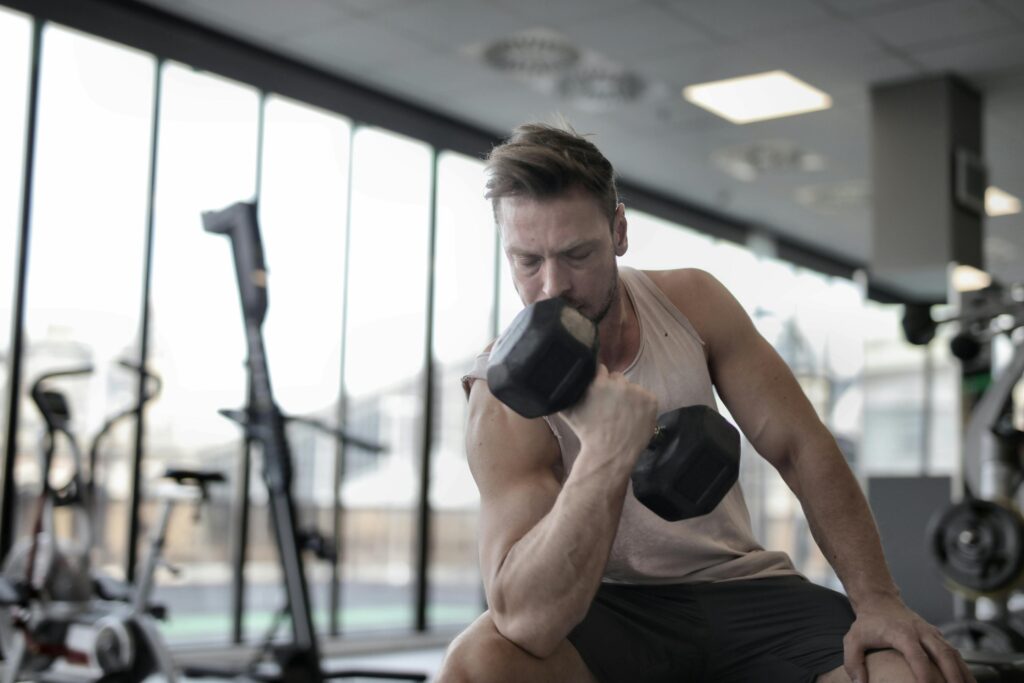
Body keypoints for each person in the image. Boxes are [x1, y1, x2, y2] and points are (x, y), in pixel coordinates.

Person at [436, 122, 973, 683]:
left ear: (618, 232)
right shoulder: (502, 396)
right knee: (477, 666)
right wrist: (604, 453)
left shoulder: (692, 303)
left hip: (743, 589)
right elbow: (525, 621)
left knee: (914, 675)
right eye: (527, 261)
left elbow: (799, 447)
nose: (552, 287)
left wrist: (877, 598)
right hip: (609, 609)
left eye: (576, 254)